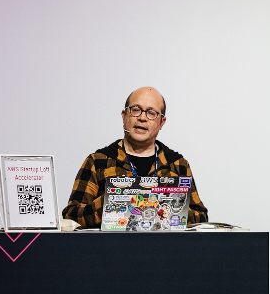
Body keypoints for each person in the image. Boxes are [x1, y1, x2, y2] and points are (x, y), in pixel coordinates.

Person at [61, 86, 207, 228]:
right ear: (124, 116)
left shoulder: (177, 164)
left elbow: (201, 217)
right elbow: (71, 217)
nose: (142, 118)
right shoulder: (98, 161)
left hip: (164, 250)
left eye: (151, 113)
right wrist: (112, 202)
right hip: (111, 250)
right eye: (136, 110)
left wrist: (170, 208)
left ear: (162, 122)